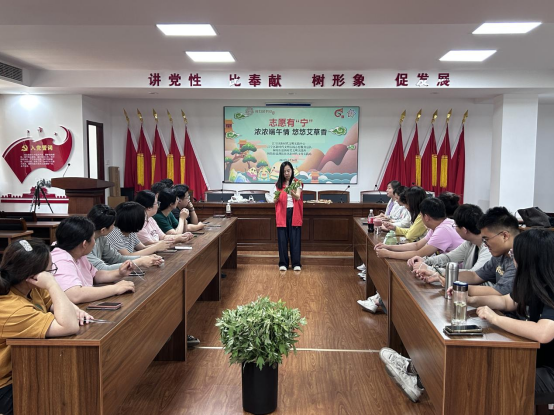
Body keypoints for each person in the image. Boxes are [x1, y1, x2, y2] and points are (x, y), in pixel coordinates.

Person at [0, 239, 92, 415]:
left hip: (21, 369)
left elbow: (55, 303)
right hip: (5, 385)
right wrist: (52, 284)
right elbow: (69, 326)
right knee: (64, 396)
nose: (52, 275)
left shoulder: (29, 288)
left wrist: (75, 310)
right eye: (50, 271)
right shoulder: (12, 309)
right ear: (33, 275)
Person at [468, 229, 554, 404]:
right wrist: (471, 300)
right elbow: (507, 301)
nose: (512, 258)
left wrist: (495, 318)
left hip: (550, 371)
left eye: (515, 254)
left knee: (488, 382)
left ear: (529, 259)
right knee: (481, 369)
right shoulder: (534, 280)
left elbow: (543, 333)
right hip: (537, 359)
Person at [51, 216, 135, 304]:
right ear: (84, 244)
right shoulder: (60, 259)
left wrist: (119, 273)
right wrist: (115, 288)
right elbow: (75, 295)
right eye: (93, 238)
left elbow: (95, 275)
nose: (94, 242)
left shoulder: (78, 253)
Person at [408, 204, 492, 286]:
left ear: (464, 230)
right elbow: (449, 257)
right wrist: (425, 261)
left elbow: (473, 275)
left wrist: (430, 269)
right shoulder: (470, 243)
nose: (454, 228)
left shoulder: (488, 249)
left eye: (455, 225)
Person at [448, 206, 519, 297]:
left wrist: (460, 288)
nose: (485, 245)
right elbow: (475, 276)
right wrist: (446, 277)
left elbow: (498, 292)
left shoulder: (520, 258)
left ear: (504, 236)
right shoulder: (500, 255)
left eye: (486, 239)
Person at [375, 197, 464, 261]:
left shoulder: (443, 230)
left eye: (421, 215)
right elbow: (417, 245)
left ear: (426, 217)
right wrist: (388, 247)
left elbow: (420, 254)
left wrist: (389, 254)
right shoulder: (440, 224)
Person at [86, 204, 163, 271]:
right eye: (112, 225)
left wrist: (143, 258)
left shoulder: (101, 238)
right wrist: (139, 262)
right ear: (103, 230)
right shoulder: (84, 243)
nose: (114, 227)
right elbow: (100, 268)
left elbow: (116, 258)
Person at [107, 202, 174, 256]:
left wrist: (162, 245)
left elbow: (142, 248)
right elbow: (127, 256)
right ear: (134, 220)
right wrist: (156, 247)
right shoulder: (113, 232)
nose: (144, 219)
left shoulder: (131, 232)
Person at [274, 161, 303, 271]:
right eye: (284, 171)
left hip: (294, 212)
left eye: (288, 171)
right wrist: (276, 197)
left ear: (292, 171)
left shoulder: (297, 183)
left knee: (295, 239)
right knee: (282, 239)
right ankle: (283, 263)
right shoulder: (278, 185)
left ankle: (296, 264)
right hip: (282, 213)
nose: (286, 173)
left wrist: (291, 191)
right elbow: (274, 200)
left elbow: (298, 197)